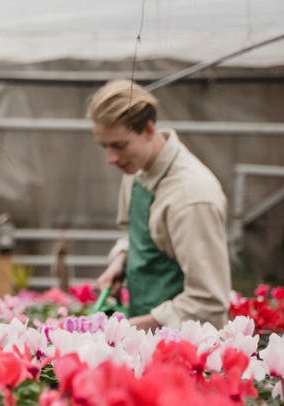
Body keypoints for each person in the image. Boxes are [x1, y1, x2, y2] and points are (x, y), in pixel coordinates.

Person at [89, 79, 231, 329]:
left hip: (185, 350)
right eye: (104, 146)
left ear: (148, 129)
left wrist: (124, 331)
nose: (110, 158)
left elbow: (209, 303)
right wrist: (122, 259)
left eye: (119, 145)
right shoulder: (136, 170)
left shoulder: (192, 196)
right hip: (145, 335)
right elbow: (138, 235)